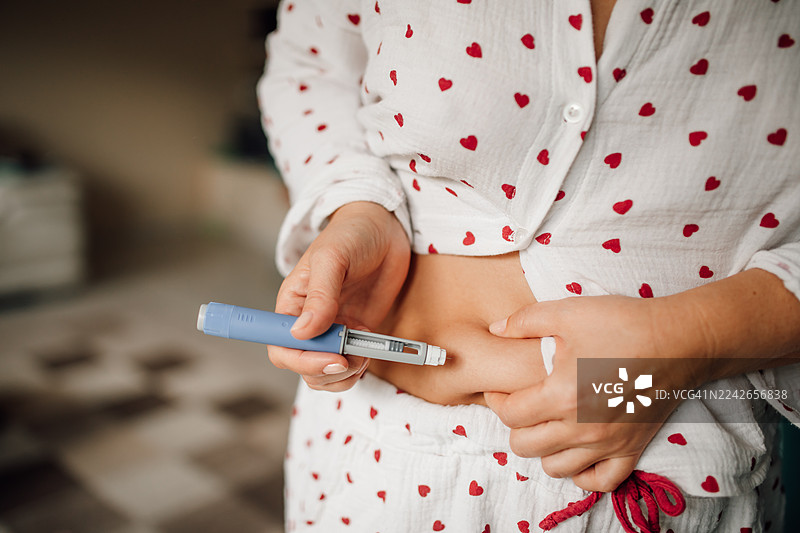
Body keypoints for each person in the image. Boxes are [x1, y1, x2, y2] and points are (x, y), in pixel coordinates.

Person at [257, 0, 800, 531]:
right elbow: (310, 62)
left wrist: (693, 339)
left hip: (635, 484)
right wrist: (357, 207)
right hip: (371, 451)